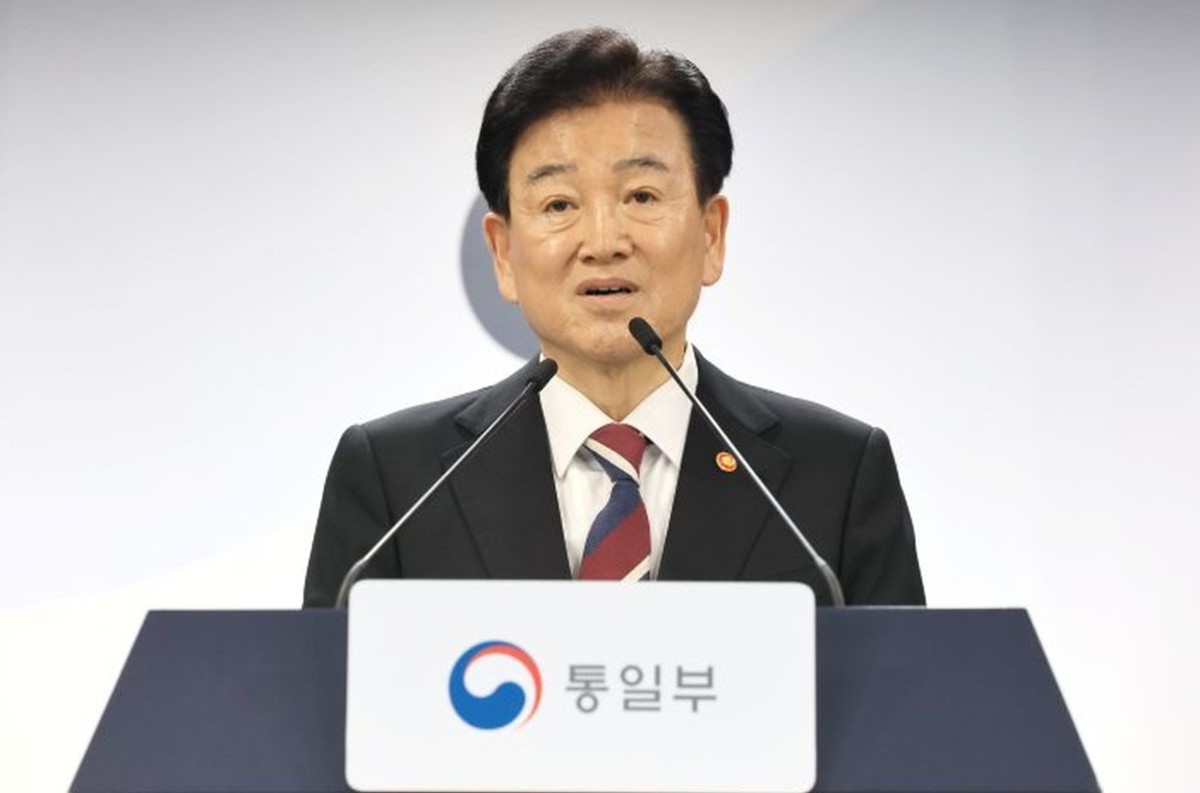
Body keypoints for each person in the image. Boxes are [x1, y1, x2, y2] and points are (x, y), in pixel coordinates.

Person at [303, 27, 924, 607]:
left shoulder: (837, 473)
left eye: (641, 196)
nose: (603, 242)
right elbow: (325, 689)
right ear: (503, 253)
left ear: (711, 235)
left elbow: (905, 688)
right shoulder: (397, 480)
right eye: (559, 204)